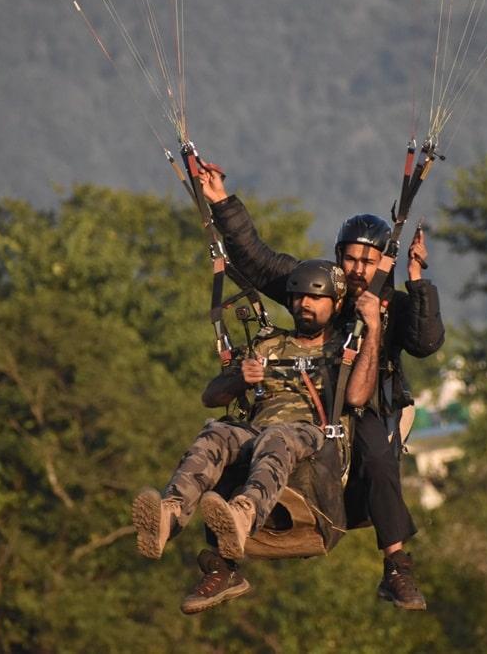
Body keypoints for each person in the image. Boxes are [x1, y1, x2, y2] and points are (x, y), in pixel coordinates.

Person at [195, 166, 445, 611]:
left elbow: (426, 344)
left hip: (364, 402)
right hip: (303, 401)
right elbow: (257, 259)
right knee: (238, 446)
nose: (357, 270)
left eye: (367, 262)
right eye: (349, 260)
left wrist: (417, 282)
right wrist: (221, 202)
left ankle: (397, 568)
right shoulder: (318, 285)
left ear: (381, 262)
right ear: (337, 258)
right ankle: (222, 564)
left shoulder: (392, 303)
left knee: (380, 460)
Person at [131, 259, 382, 614]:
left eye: (315, 299)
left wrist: (372, 330)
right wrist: (240, 379)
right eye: (297, 298)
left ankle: (244, 514)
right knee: (215, 432)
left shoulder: (345, 348)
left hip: (314, 436)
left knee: (277, 436)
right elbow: (212, 396)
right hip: (256, 431)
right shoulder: (268, 345)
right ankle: (168, 517)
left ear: (336, 303)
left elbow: (357, 397)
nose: (304, 305)